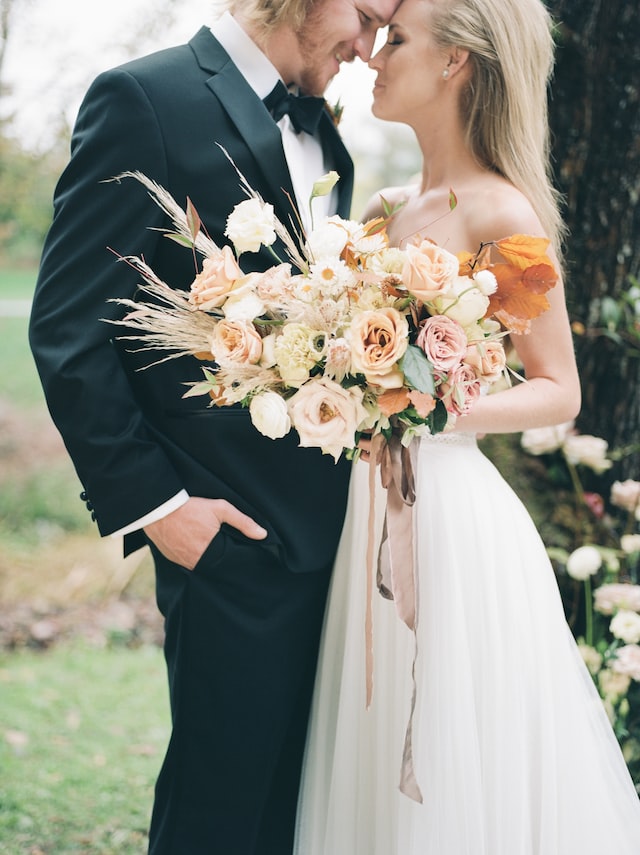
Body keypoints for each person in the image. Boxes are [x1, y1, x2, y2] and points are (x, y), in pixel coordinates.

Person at [28, 1, 399, 853]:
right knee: (217, 818)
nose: (367, 46)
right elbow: (69, 331)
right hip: (229, 544)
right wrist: (164, 511)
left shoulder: (327, 139)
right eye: (366, 16)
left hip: (334, 548)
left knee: (296, 817)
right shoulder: (143, 98)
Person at [293, 0, 640, 852]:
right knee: (368, 746)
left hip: (453, 519)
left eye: (398, 40)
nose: (373, 54)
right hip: (364, 513)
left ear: (457, 63)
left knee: (453, 751)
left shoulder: (503, 216)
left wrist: (429, 405)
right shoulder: (379, 212)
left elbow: (559, 391)